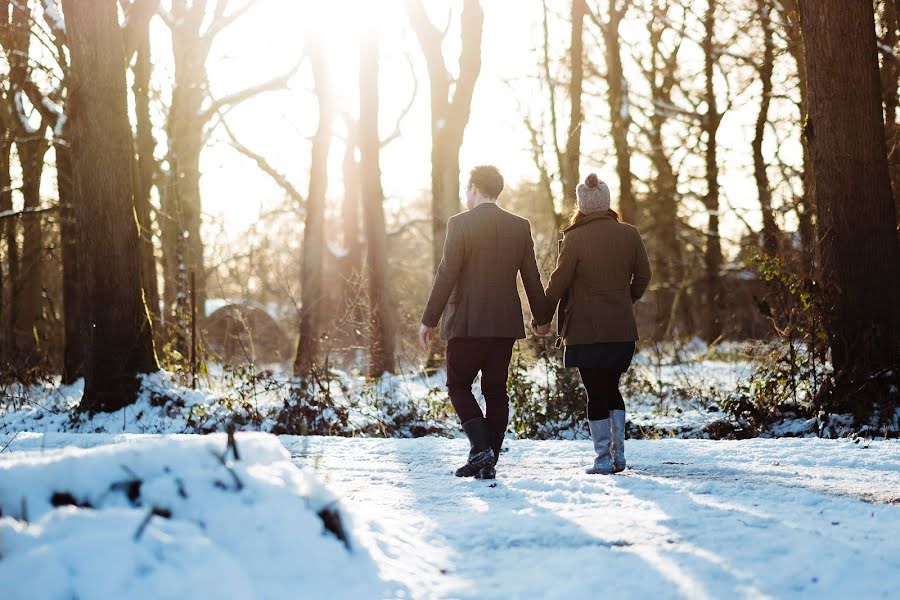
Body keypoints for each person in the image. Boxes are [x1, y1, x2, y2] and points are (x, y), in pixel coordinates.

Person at [419, 165, 551, 480]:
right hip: (504, 323)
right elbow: (531, 276)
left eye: (467, 189)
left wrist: (429, 320)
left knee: (458, 385)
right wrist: (542, 317)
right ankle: (487, 458)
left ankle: (481, 449)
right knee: (496, 390)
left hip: (467, 323)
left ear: (474, 188)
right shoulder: (519, 226)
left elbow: (447, 273)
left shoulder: (460, 224)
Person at [544, 173, 651, 474]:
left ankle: (603, 458)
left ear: (582, 205)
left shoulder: (575, 238)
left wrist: (542, 314)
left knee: (595, 391)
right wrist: (624, 299)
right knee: (612, 387)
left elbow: (558, 282)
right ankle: (618, 457)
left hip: (585, 331)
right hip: (620, 329)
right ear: (606, 203)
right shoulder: (629, 234)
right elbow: (644, 276)